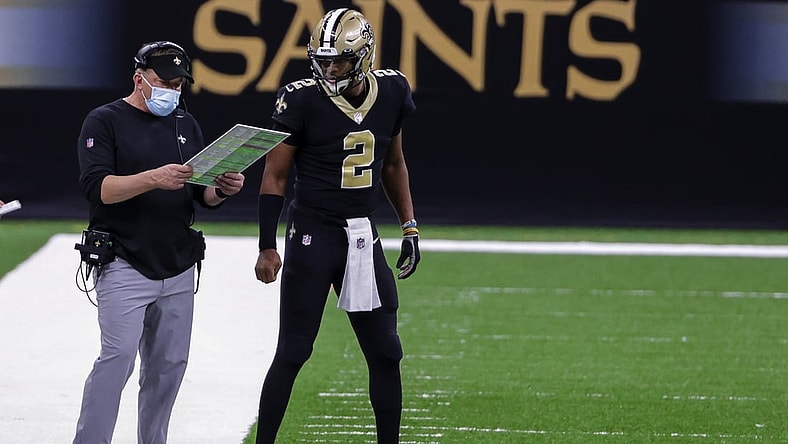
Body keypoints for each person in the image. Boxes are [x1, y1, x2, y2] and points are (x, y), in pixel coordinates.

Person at [253, 8, 420, 444]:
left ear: (363, 56)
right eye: (323, 59)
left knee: (386, 352)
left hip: (362, 236)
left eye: (339, 60)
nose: (329, 68)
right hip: (313, 231)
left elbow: (394, 163)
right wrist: (268, 244)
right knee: (293, 350)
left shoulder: (393, 90)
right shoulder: (301, 98)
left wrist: (409, 225)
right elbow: (275, 175)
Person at [73, 40, 245, 444]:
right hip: (124, 261)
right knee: (116, 361)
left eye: (179, 83)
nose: (173, 89)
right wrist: (153, 177)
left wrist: (223, 189)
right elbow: (98, 189)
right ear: (139, 78)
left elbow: (200, 195)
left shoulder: (186, 125)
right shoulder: (104, 121)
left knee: (169, 366)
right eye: (164, 80)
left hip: (178, 262)